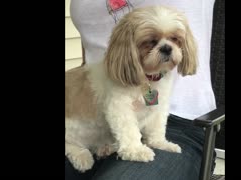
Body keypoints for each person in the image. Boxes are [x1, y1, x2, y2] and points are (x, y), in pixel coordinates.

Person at [66, 0, 217, 179]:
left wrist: (155, 139)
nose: (167, 48)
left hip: (183, 125)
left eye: (174, 40)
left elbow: (157, 106)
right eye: (151, 43)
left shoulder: (163, 76)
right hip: (96, 129)